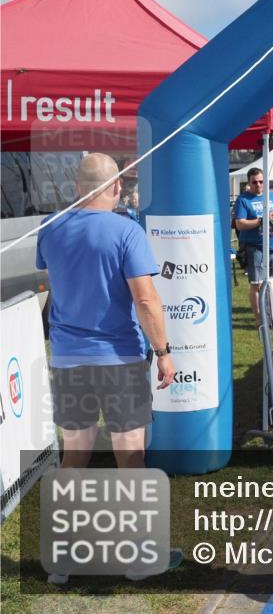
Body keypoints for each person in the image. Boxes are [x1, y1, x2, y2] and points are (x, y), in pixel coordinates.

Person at [36, 153, 180, 581]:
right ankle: (137, 558)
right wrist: (165, 350)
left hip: (67, 358)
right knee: (129, 459)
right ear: (117, 187)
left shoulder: (51, 227)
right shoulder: (126, 230)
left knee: (74, 459)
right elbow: (147, 300)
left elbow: (53, 279)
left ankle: (61, 562)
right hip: (118, 360)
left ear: (77, 188)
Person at [233, 167, 273, 326]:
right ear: (249, 183)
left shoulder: (270, 196)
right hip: (256, 249)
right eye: (254, 182)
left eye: (261, 181)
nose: (258, 185)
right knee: (257, 285)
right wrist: (262, 220)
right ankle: (259, 319)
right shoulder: (243, 200)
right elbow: (240, 224)